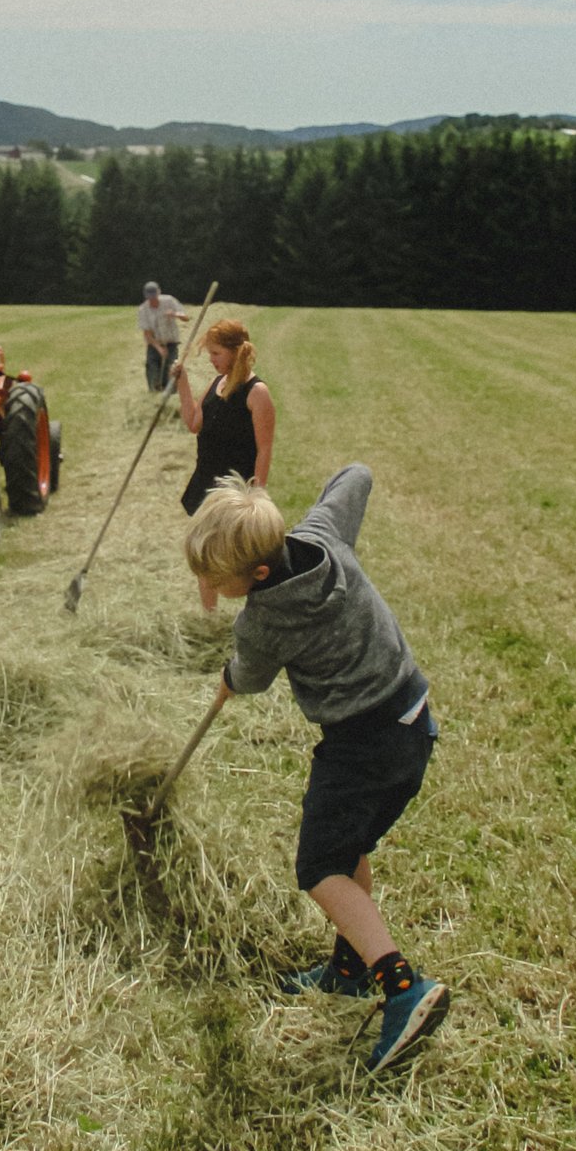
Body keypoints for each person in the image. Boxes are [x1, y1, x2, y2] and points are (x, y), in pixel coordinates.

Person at [184, 467, 450, 1074]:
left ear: (254, 573)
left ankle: (402, 986)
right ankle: (347, 970)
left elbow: (249, 676)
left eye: (213, 579)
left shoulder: (263, 622)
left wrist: (229, 678)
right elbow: (356, 477)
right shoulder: (323, 535)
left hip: (361, 743)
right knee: (348, 842)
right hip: (412, 720)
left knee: (321, 866)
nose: (206, 584)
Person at [173, 319, 277, 614]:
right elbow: (194, 423)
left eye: (216, 353)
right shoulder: (216, 384)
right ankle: (210, 619)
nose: (212, 359)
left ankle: (254, 618)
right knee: (204, 556)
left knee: (241, 560)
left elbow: (265, 448)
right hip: (205, 484)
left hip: (235, 492)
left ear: (236, 352)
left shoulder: (257, 393)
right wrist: (182, 382)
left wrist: (258, 494)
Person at [137, 281, 187, 392]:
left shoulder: (169, 300)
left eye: (154, 297)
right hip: (154, 344)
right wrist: (159, 348)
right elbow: (147, 334)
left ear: (159, 293)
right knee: (152, 366)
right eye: (150, 298)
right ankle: (153, 391)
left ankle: (171, 392)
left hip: (171, 342)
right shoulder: (143, 310)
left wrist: (174, 314)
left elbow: (186, 317)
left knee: (171, 368)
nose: (152, 300)